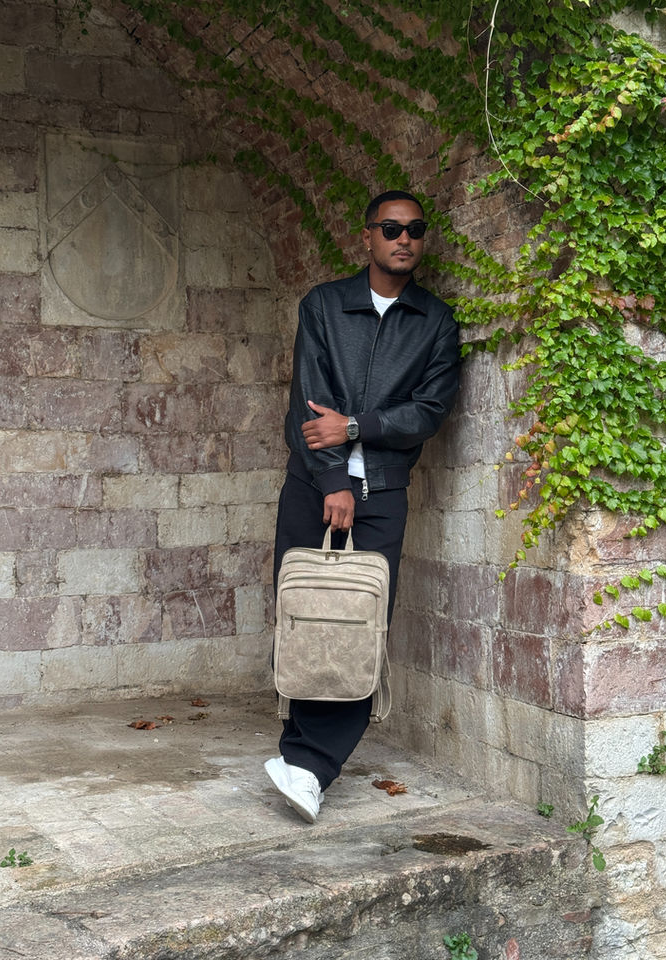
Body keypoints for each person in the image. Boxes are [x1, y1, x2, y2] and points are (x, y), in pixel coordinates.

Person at [264, 189, 460, 822]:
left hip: (383, 492)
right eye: (392, 228)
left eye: (416, 230)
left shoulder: (435, 322)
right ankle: (300, 755)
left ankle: (311, 765)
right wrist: (331, 480)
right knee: (304, 611)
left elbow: (427, 413)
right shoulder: (324, 305)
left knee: (359, 622)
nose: (405, 239)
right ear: (368, 235)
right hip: (311, 486)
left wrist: (354, 427)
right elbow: (307, 401)